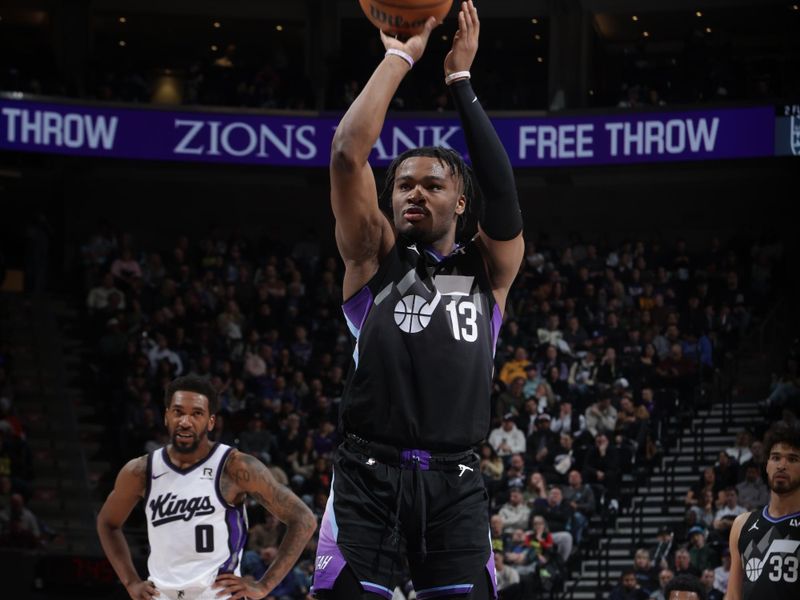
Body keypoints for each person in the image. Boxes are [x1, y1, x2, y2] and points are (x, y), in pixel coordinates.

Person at [312, 2, 525, 598]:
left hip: (454, 483)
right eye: (403, 184)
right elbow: (347, 154)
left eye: (433, 185)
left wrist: (460, 81)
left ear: (461, 204)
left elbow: (504, 193)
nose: (414, 194)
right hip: (366, 478)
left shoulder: (488, 271)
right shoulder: (374, 257)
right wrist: (398, 57)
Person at [97, 375, 316, 600]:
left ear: (211, 421)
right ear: (166, 416)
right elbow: (108, 523)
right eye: (178, 412)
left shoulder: (235, 466)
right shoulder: (140, 471)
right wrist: (131, 582)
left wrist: (263, 586)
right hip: (161, 595)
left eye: (196, 414)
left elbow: (303, 519)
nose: (185, 421)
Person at [727, 424, 800, 599]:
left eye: (792, 459)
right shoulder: (741, 524)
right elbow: (733, 596)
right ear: (767, 465)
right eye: (775, 458)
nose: (782, 466)